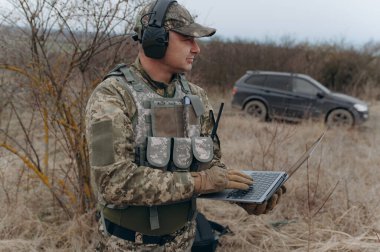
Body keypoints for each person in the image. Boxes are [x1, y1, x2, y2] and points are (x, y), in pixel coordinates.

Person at [85, 0, 286, 251]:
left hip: (183, 241)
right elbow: (114, 183)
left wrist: (243, 196)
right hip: (127, 244)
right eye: (186, 39)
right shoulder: (113, 96)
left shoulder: (196, 97)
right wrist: (201, 182)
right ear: (155, 40)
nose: (196, 48)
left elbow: (208, 165)